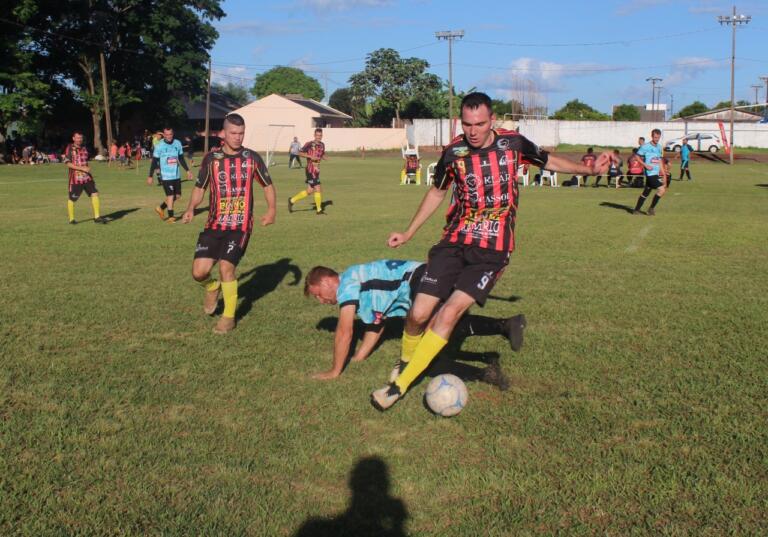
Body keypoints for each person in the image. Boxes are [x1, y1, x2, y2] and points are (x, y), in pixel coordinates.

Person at [371, 92, 613, 410]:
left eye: (480, 124)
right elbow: (436, 192)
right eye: (468, 124)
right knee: (417, 314)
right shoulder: (453, 152)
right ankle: (406, 361)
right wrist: (408, 231)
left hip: (492, 250)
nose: (473, 131)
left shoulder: (513, 144)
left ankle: (396, 388)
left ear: (492, 119)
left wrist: (589, 171)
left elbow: (549, 160)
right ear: (461, 121)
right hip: (454, 242)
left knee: (449, 313)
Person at [304, 261, 526, 383]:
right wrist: (360, 356)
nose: (320, 300)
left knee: (422, 361)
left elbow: (345, 331)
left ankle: (486, 375)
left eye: (318, 294)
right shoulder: (358, 282)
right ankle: (506, 325)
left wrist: (334, 371)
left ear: (327, 281)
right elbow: (376, 324)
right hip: (425, 275)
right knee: (449, 326)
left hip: (419, 281)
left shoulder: (346, 283)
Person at [182, 113, 276, 334]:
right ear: (222, 134)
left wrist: (272, 210)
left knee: (227, 268)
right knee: (199, 272)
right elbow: (199, 188)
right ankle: (212, 288)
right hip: (214, 224)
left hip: (240, 225)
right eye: (233, 133)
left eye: (241, 133)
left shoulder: (252, 157)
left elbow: (267, 185)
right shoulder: (211, 159)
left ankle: (228, 317)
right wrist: (190, 208)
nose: (238, 137)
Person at [148, 127, 192, 223]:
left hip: (176, 175)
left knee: (178, 196)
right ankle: (171, 217)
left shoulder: (177, 143)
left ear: (173, 134)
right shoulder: (159, 145)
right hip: (166, 176)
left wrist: (188, 171)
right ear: (164, 135)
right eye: (166, 134)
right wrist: (150, 176)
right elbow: (154, 161)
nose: (168, 136)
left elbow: (181, 158)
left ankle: (160, 207)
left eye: (170, 134)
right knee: (171, 196)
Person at [65, 131, 107, 224]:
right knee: (72, 198)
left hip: (87, 177)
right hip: (76, 178)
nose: (79, 139)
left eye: (80, 138)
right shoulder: (69, 148)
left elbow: (85, 160)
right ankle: (71, 219)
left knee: (94, 193)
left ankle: (97, 217)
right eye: (77, 138)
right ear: (73, 138)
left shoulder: (84, 148)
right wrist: (82, 168)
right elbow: (68, 163)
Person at [288, 128, 327, 215]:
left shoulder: (322, 145)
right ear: (314, 135)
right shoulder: (309, 144)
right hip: (310, 170)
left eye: (320, 135)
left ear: (322, 136)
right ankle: (319, 210)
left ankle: (292, 200)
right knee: (318, 188)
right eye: (317, 135)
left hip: (316, 171)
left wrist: (324, 157)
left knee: (309, 191)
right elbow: (299, 153)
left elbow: (322, 153)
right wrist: (310, 156)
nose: (319, 137)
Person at [632, 128, 667, 216]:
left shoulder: (659, 147)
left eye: (658, 138)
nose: (656, 139)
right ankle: (651, 209)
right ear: (652, 136)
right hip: (650, 173)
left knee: (646, 192)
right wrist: (645, 165)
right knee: (662, 189)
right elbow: (636, 156)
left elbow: (659, 161)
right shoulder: (645, 146)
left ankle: (636, 210)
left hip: (655, 173)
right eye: (655, 137)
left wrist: (663, 174)